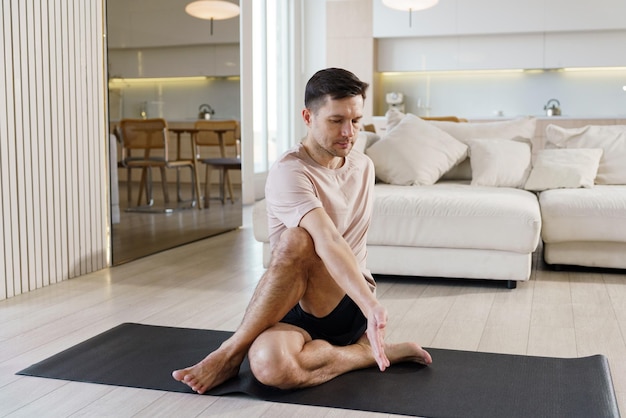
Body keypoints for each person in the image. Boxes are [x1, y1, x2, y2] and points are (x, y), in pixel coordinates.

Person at [172, 67, 432, 393]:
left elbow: (333, 242)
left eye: (356, 120)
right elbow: (325, 237)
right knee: (269, 366)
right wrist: (372, 311)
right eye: (336, 120)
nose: (349, 132)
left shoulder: (363, 166)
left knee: (297, 238)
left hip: (346, 299)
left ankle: (228, 354)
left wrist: (368, 305)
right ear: (308, 117)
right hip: (290, 304)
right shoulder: (291, 170)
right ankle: (362, 354)